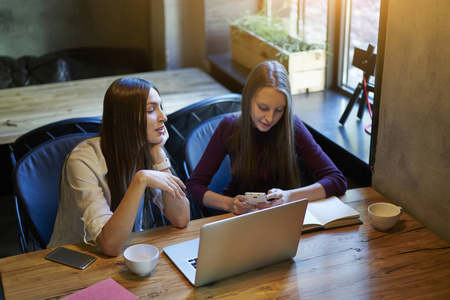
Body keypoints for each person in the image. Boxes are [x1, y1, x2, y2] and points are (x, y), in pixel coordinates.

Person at [48, 78, 190, 256]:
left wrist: (160, 157)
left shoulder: (149, 148)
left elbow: (181, 218)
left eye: (161, 107)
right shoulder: (82, 161)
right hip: (74, 259)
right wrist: (141, 179)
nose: (163, 117)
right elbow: (110, 245)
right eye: (150, 110)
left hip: (126, 251)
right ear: (120, 119)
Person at [186, 60, 347, 215]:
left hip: (283, 213)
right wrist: (229, 203)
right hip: (239, 214)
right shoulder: (230, 126)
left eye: (279, 110)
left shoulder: (292, 126)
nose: (270, 118)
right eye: (263, 108)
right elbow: (194, 187)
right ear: (248, 99)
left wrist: (288, 196)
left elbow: (337, 180)